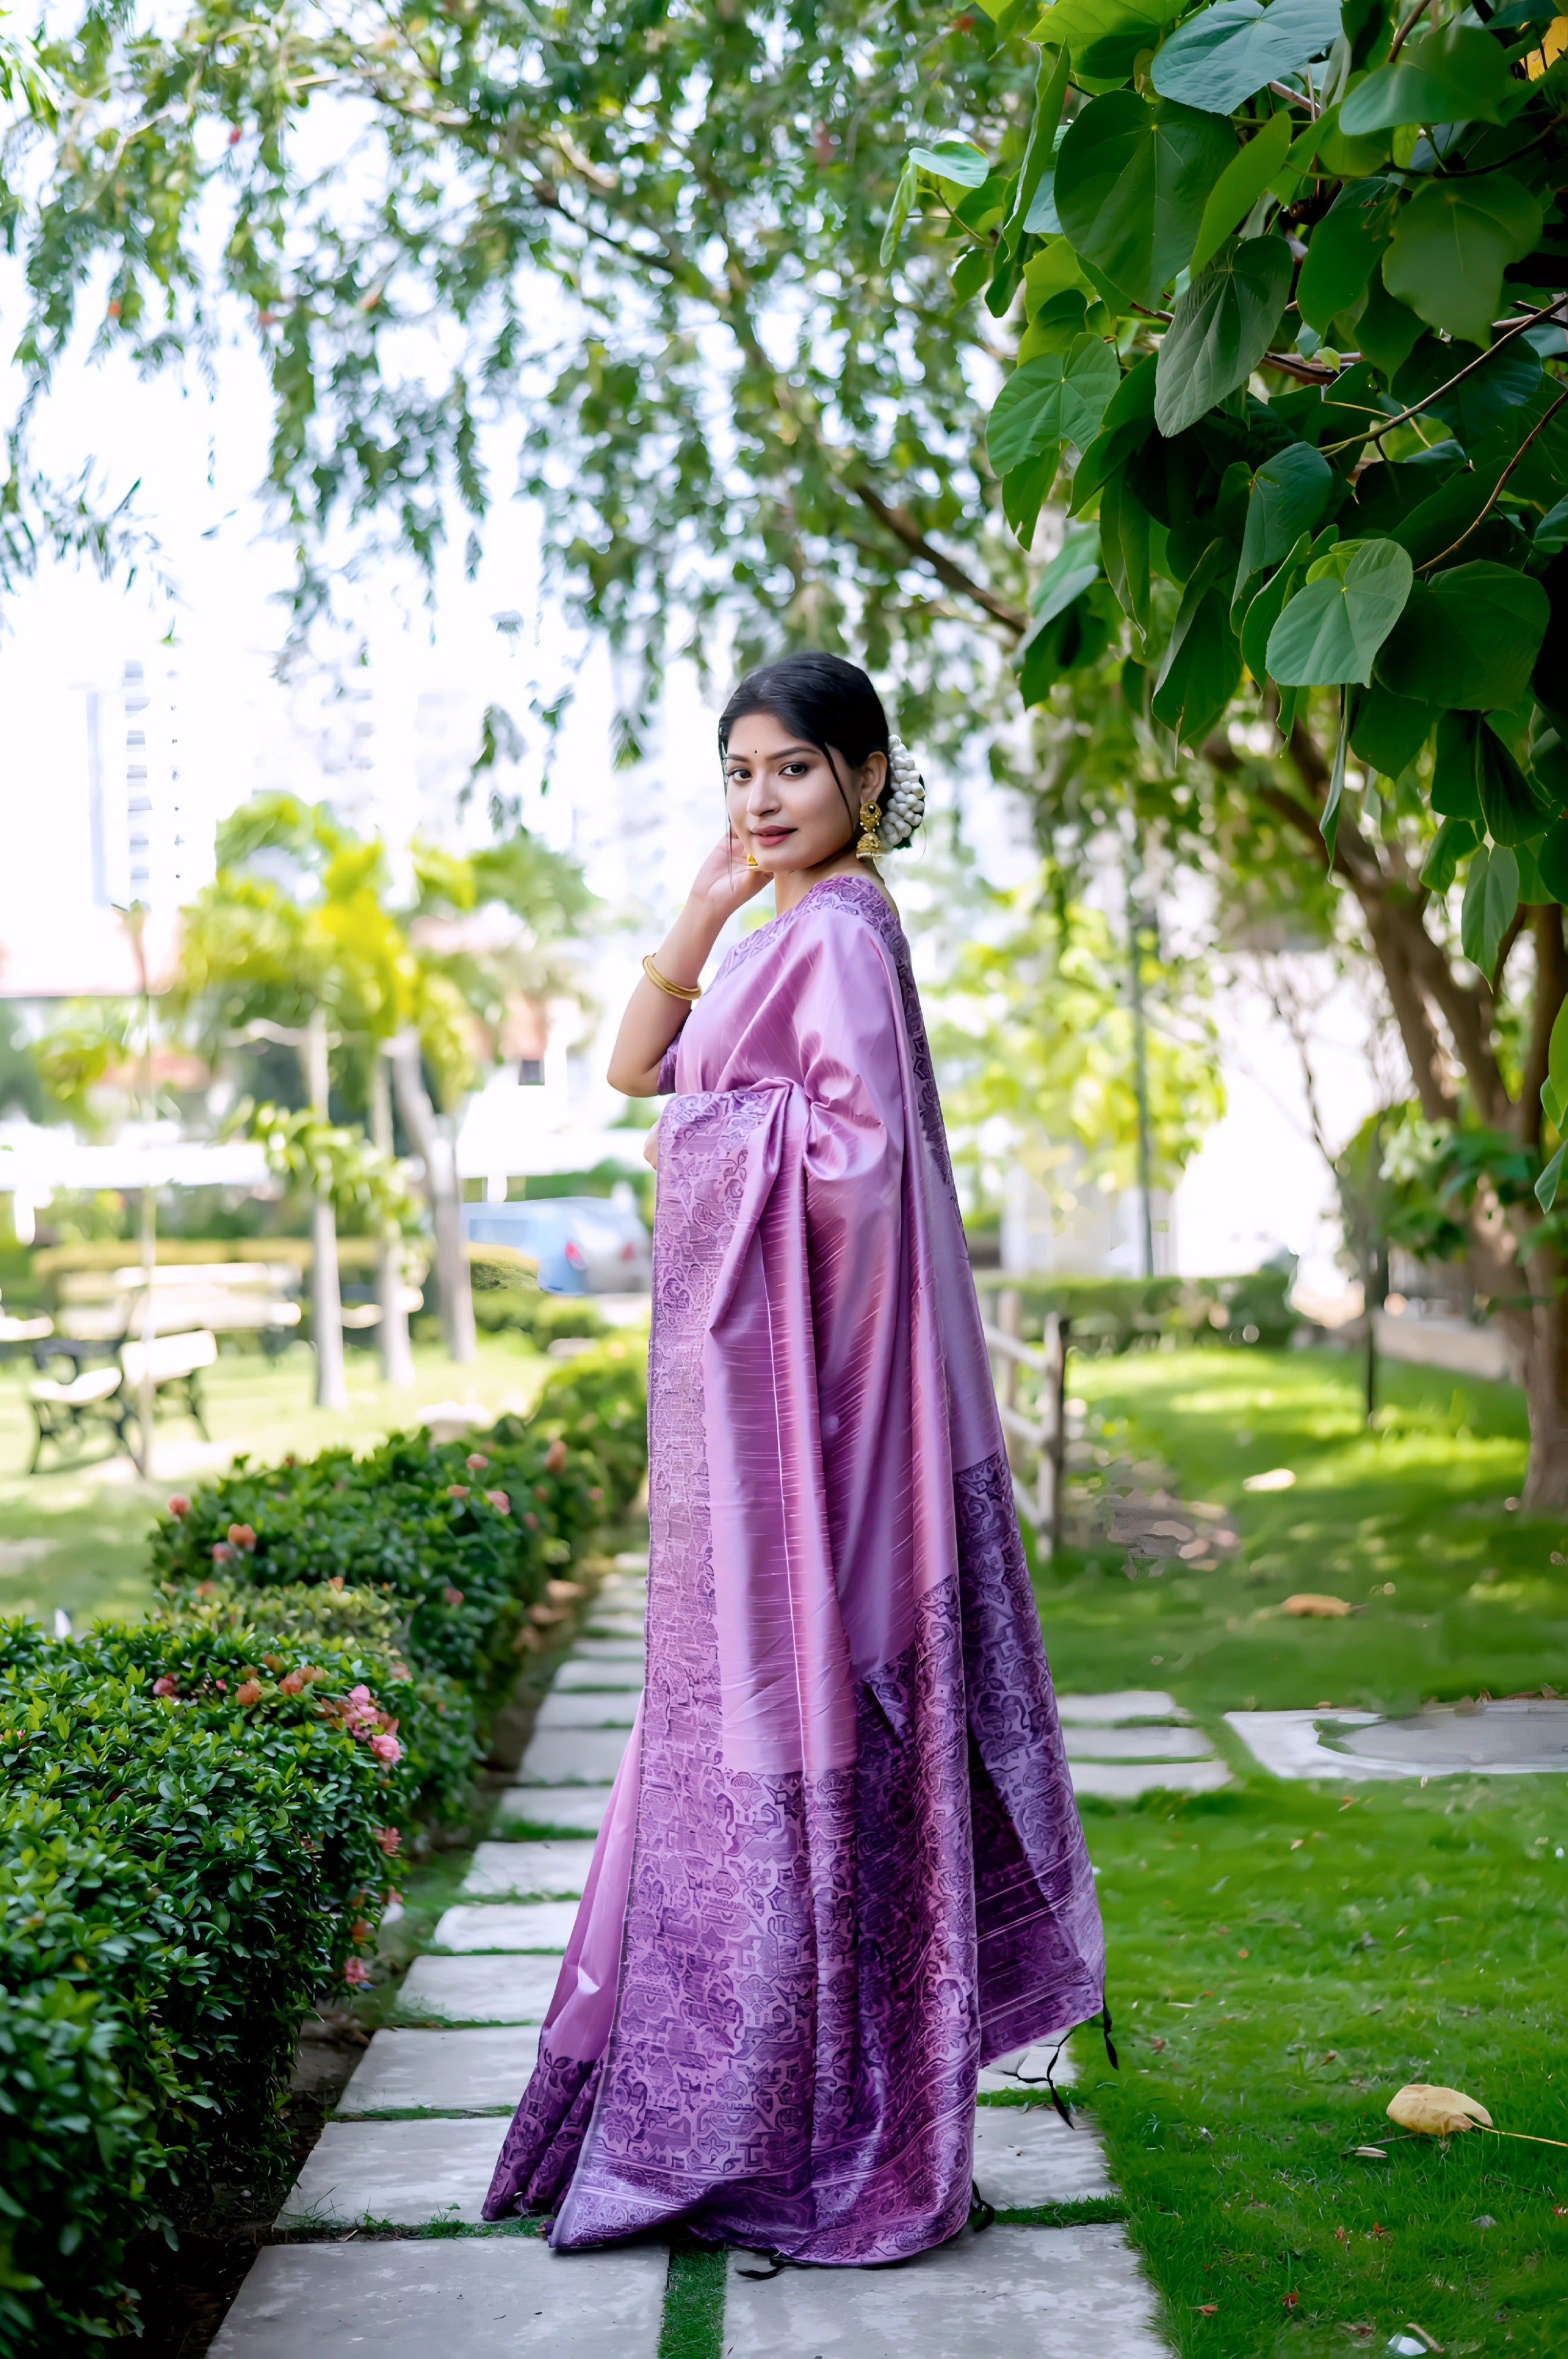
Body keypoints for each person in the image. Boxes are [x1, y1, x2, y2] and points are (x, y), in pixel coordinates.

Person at [483, 651, 1103, 2264]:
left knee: (804, 1735)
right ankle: (773, 2099)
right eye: (740, 772)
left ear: (866, 778)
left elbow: (857, 1172)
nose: (762, 800)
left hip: (824, 1422)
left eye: (795, 771)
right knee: (750, 1740)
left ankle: (814, 2115)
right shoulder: (778, 928)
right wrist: (701, 908)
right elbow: (636, 1069)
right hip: (780, 1421)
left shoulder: (840, 934)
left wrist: (721, 1136)